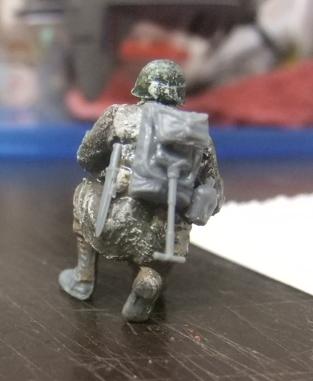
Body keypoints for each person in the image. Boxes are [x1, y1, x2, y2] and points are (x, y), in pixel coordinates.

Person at [59, 59, 223, 322]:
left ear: (143, 86)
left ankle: (83, 277)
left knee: (84, 191)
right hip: (165, 237)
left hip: (113, 221)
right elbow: (214, 194)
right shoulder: (196, 134)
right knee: (166, 245)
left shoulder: (118, 116)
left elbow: (86, 157)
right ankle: (150, 278)